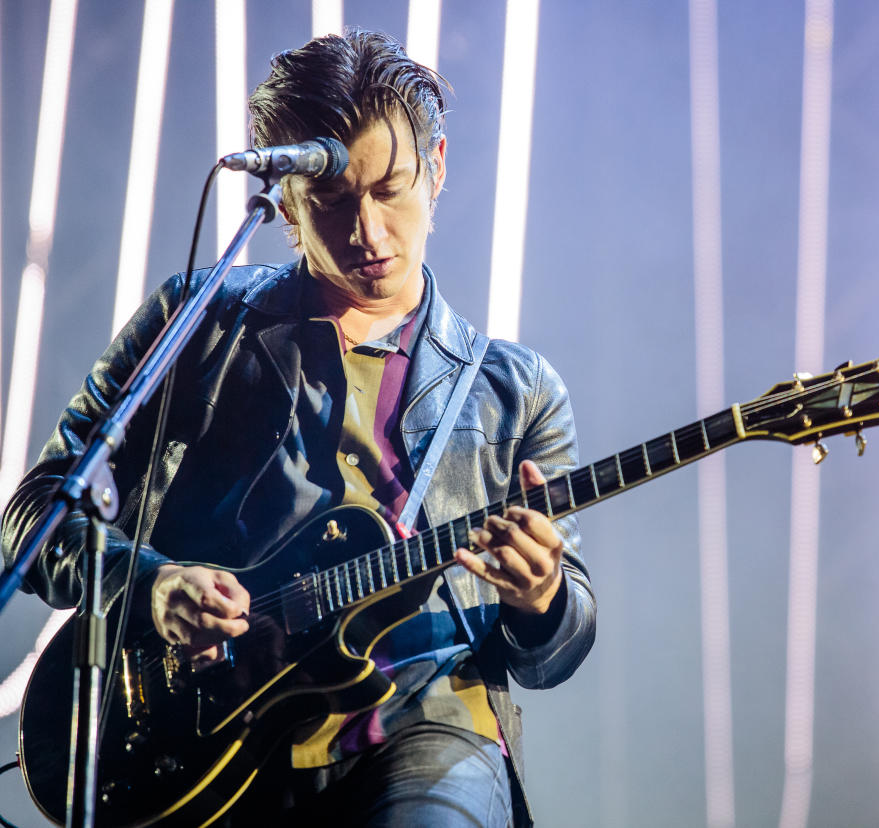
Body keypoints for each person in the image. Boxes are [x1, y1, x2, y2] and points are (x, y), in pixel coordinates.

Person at [1, 28, 594, 827]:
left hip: (425, 732)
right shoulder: (201, 322)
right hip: (208, 740)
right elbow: (35, 513)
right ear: (283, 201)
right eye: (334, 202)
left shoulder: (517, 391)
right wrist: (152, 586)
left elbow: (556, 650)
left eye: (390, 189)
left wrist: (543, 595)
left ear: (439, 165)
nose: (369, 232)